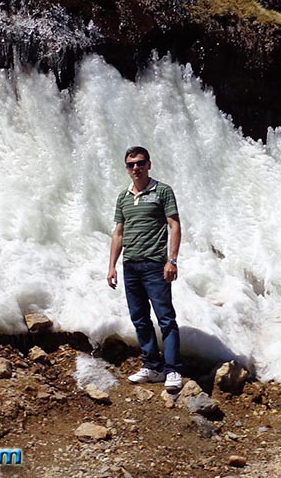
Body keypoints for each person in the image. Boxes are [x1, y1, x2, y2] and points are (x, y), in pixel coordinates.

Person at [106, 146, 183, 391]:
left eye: (140, 163)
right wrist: (112, 267)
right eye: (131, 165)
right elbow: (118, 233)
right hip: (131, 266)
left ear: (149, 164)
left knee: (165, 318)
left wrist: (172, 260)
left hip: (155, 265)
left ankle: (172, 369)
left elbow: (175, 226)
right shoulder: (123, 197)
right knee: (139, 318)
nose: (135, 168)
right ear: (127, 168)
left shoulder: (163, 191)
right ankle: (152, 366)